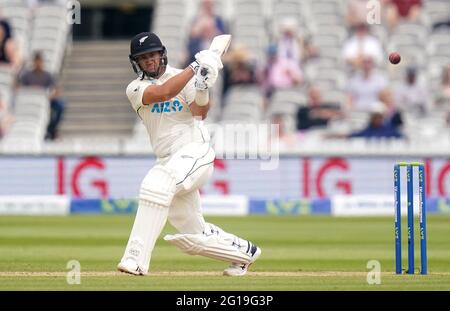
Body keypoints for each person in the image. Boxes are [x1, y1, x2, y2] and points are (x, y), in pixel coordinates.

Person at [118, 32, 261, 277]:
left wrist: (204, 88)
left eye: (153, 55)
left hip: (195, 151)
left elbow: (200, 112)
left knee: (157, 183)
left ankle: (135, 259)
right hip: (168, 160)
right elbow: (162, 93)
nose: (149, 61)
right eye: (143, 58)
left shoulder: (180, 76)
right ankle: (244, 253)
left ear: (161, 54)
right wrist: (196, 67)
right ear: (136, 62)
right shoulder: (135, 88)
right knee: (194, 234)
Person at [18, 52, 65, 140]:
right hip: (30, 101)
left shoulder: (47, 75)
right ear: (33, 62)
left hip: (45, 100)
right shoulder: (27, 75)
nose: (38, 63)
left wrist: (50, 96)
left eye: (39, 61)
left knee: (60, 105)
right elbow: (18, 88)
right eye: (36, 61)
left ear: (42, 62)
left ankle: (51, 129)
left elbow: (58, 90)